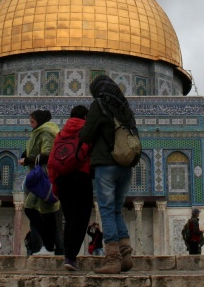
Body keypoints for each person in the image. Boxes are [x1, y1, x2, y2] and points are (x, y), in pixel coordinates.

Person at [80, 75, 139, 274]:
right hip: (126, 165)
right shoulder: (125, 108)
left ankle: (113, 259)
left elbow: (86, 134)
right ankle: (126, 256)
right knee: (116, 210)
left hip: (106, 164)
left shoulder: (99, 105)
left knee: (106, 210)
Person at [48, 105, 92, 271]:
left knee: (69, 218)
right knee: (81, 219)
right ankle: (71, 256)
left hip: (63, 180)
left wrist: (54, 187)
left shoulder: (60, 134)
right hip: (81, 178)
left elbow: (52, 162)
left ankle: (68, 256)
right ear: (86, 117)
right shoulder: (87, 131)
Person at [19, 110, 60, 256]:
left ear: (40, 121)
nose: (30, 125)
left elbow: (47, 155)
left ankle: (50, 246)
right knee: (40, 211)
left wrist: (28, 160)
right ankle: (53, 246)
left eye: (32, 122)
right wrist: (26, 155)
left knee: (44, 212)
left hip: (44, 178)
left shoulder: (47, 132)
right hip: (39, 178)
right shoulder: (39, 132)